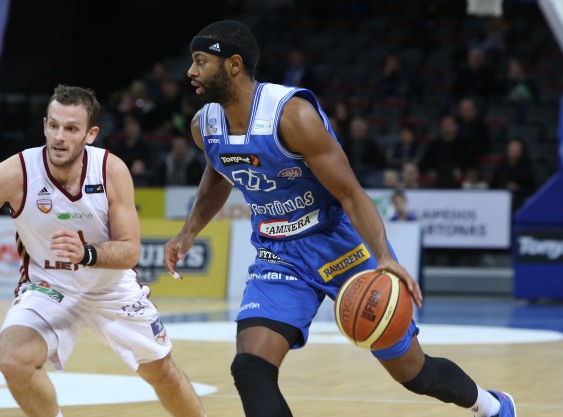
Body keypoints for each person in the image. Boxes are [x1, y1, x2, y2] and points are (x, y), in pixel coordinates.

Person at [164, 19, 516, 417]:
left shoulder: (292, 116)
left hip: (340, 244)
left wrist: (384, 255)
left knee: (414, 373)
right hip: (279, 253)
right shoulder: (204, 126)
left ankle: (493, 406)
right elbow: (220, 170)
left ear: (234, 64)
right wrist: (188, 232)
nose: (190, 71)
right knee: (250, 367)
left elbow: (350, 193)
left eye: (200, 61)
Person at [0, 85, 206, 417]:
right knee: (13, 360)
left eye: (71, 128)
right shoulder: (16, 173)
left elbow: (130, 251)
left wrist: (86, 254)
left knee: (162, 374)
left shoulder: (111, 170)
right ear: (44, 125)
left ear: (91, 134)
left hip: (111, 288)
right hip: (49, 286)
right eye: (53, 125)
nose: (59, 137)